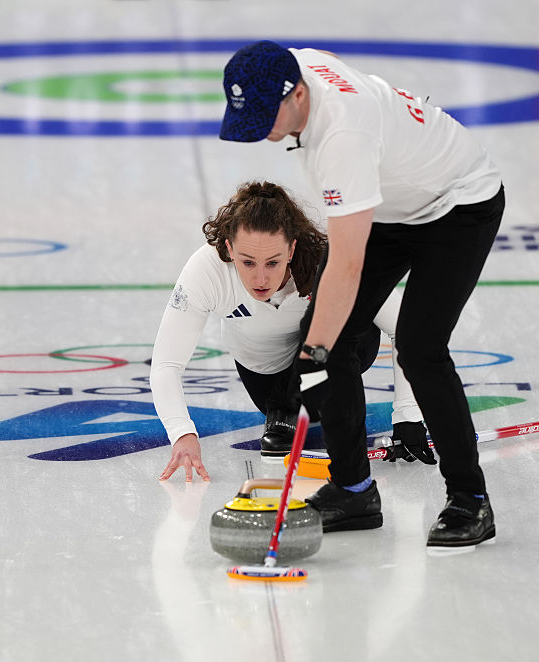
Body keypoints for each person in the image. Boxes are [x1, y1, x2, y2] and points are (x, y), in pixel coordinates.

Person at [219, 41, 506, 553]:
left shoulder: (343, 138)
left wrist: (313, 355)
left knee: (418, 348)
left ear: (298, 94)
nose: (259, 129)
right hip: (392, 201)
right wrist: (319, 350)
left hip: (458, 203)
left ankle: (470, 499)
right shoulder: (291, 65)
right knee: (330, 339)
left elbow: (347, 265)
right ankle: (353, 490)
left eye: (265, 116)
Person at [152, 180, 430, 485]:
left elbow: (406, 328)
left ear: (292, 248)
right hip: (266, 378)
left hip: (325, 356)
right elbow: (166, 364)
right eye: (247, 262)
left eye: (273, 262)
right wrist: (182, 433)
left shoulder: (328, 259)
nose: (260, 278)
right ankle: (284, 411)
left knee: (357, 321)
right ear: (229, 248)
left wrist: (408, 414)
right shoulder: (206, 270)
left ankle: (334, 405)